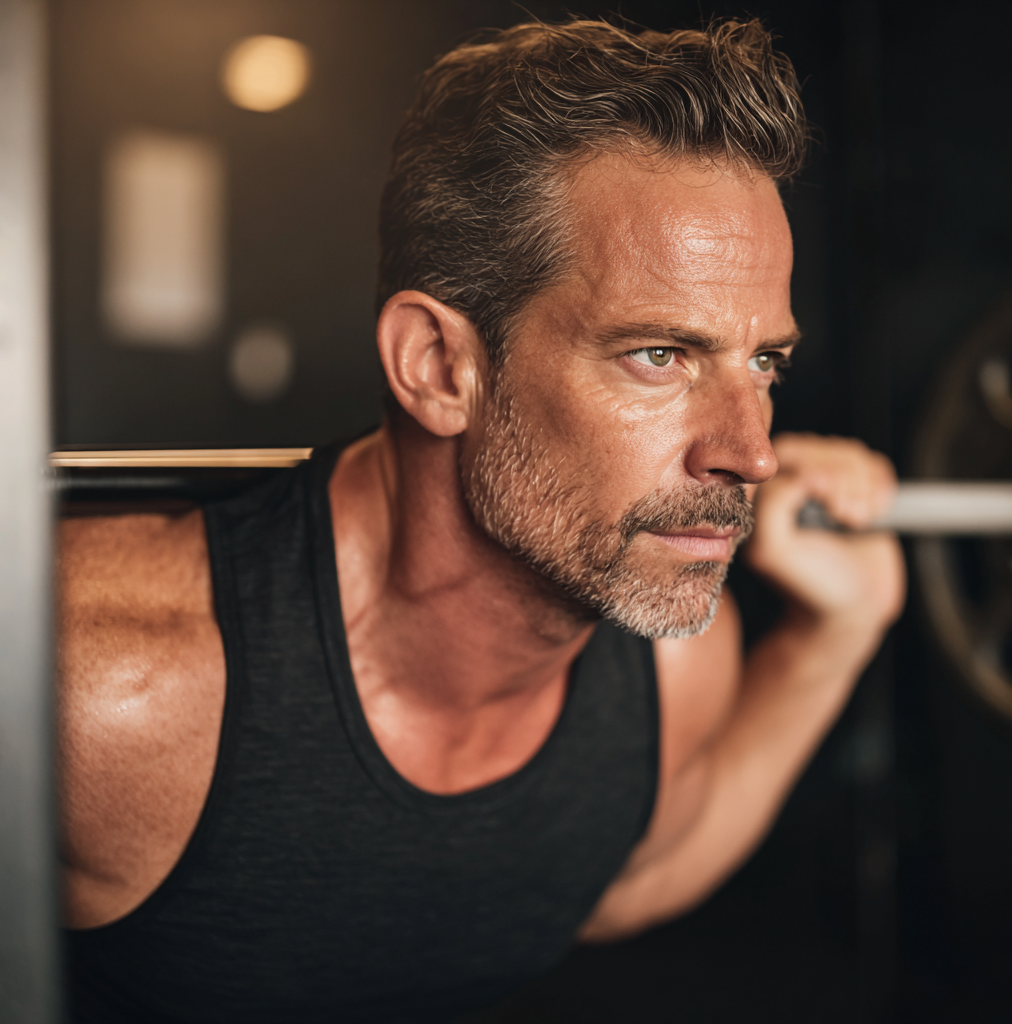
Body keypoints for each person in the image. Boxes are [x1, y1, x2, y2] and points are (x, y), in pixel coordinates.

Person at [57, 17, 905, 1023]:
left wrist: (830, 639)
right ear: (438, 366)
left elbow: (612, 875)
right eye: (659, 356)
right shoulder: (99, 687)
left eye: (763, 362)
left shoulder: (672, 664)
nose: (751, 451)